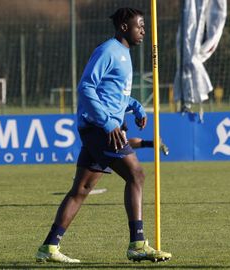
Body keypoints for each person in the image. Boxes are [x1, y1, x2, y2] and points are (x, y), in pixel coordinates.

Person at [35, 7, 172, 264]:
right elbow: (86, 87)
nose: (143, 30)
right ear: (123, 27)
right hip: (101, 128)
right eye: (139, 25)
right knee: (136, 174)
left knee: (82, 189)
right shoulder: (108, 51)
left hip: (100, 128)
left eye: (144, 26)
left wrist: (135, 106)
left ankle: (49, 247)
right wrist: (109, 123)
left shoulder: (124, 54)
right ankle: (138, 243)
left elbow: (115, 94)